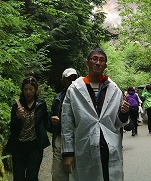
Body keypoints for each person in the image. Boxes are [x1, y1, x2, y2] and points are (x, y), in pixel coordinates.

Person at [61, 47, 130, 181]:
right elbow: (67, 122)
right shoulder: (74, 89)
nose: (98, 63)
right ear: (87, 63)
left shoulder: (114, 89)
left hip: (109, 148)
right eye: (94, 59)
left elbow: (117, 123)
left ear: (105, 65)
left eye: (101, 60)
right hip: (85, 146)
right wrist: (68, 152)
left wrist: (123, 113)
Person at [5, 76, 50, 181]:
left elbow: (46, 123)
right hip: (19, 146)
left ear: (35, 90)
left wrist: (57, 123)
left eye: (31, 89)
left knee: (32, 177)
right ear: (22, 90)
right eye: (26, 89)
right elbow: (12, 128)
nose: (28, 92)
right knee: (19, 177)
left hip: (35, 146)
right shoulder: (17, 106)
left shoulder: (41, 105)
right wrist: (17, 117)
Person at [49, 68, 78, 181]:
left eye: (74, 79)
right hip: (60, 138)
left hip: (77, 138)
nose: (72, 82)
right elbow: (49, 122)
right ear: (63, 81)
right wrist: (53, 121)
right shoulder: (58, 98)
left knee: (77, 172)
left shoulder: (83, 98)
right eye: (69, 79)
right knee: (58, 175)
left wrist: (64, 122)